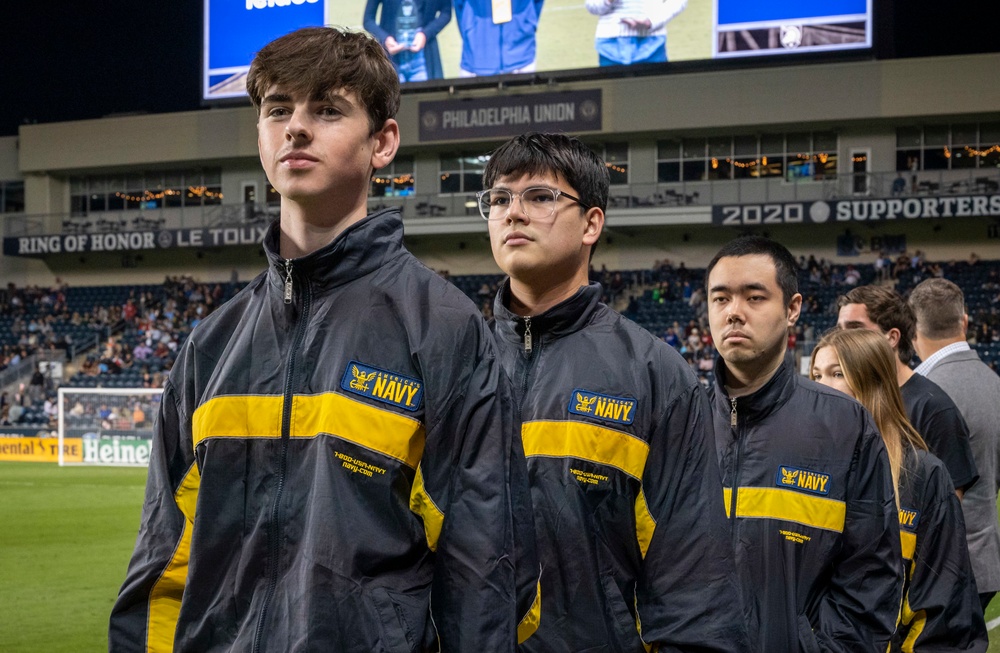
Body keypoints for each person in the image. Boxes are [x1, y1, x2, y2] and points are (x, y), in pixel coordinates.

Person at [109, 27, 536, 652]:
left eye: (328, 109)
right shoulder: (212, 344)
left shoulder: (444, 329)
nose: (296, 127)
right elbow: (162, 563)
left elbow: (487, 574)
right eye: (278, 108)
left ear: (382, 142)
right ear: (259, 134)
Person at [482, 132, 746, 651]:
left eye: (539, 196)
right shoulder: (453, 361)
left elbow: (692, 583)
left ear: (591, 223)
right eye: (499, 198)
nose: (513, 213)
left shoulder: (655, 374)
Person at [706, 235, 903, 652]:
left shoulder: (845, 425)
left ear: (792, 308)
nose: (734, 313)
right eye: (720, 299)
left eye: (754, 298)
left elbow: (870, 578)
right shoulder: (679, 419)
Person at [810, 329, 987, 652]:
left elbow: (943, 615)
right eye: (816, 375)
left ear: (873, 384)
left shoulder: (923, 477)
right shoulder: (796, 469)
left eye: (837, 374)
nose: (821, 387)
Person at [910, 277, 1000, 615]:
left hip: (937, 565)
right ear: (964, 322)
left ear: (912, 328)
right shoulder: (994, 382)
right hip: (985, 562)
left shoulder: (923, 391)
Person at [837, 284, 978, 497]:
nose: (842, 340)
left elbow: (947, 508)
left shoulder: (933, 408)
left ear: (892, 337)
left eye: (855, 327)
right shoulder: (848, 400)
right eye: (840, 329)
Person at [363, 0, 451, 81]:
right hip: (392, 57)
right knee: (390, 96)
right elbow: (368, 20)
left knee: (427, 96)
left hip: (422, 56)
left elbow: (446, 13)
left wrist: (425, 34)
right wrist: (385, 38)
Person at [454, 0, 543, 76]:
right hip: (477, 58)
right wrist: (471, 31)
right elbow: (459, 5)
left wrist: (527, 25)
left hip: (522, 55)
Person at [585, 0, 686, 66]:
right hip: (610, 44)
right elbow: (592, 6)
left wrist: (650, 22)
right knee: (612, 94)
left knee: (657, 93)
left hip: (652, 42)